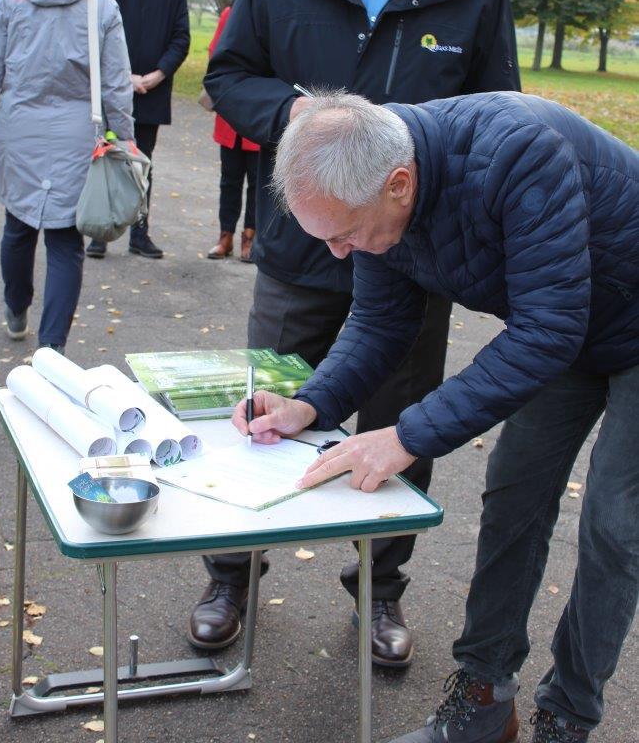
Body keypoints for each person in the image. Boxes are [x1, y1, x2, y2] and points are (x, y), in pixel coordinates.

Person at [198, 0, 521, 665]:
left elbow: (501, 113)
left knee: (400, 426)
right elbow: (227, 77)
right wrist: (294, 113)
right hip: (301, 252)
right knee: (265, 413)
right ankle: (229, 574)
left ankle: (379, 593)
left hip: (418, 260)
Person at [234, 90, 639, 743]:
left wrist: (407, 436)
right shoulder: (372, 180)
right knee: (514, 497)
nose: (339, 253)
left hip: (597, 317)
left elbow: (545, 331)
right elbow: (379, 320)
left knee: (617, 525)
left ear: (400, 184)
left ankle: (567, 715)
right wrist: (312, 404)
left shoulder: (517, 154)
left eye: (343, 234)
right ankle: (482, 697)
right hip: (571, 323)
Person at [0, 0, 133, 353]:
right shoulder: (101, 4)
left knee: (18, 225)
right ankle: (51, 349)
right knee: (65, 242)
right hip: (79, 136)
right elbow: (115, 84)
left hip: (20, 132)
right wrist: (126, 140)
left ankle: (16, 308)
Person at [86, 0, 190, 260]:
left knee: (142, 162)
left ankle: (139, 234)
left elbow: (181, 38)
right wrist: (124, 76)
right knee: (105, 157)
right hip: (115, 91)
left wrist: (158, 75)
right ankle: (100, 231)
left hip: (153, 92)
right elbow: (95, 34)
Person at [203, 0, 259, 263]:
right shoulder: (228, 14)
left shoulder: (269, 14)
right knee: (230, 179)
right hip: (230, 113)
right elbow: (215, 55)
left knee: (256, 181)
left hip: (258, 113)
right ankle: (224, 237)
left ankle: (249, 239)